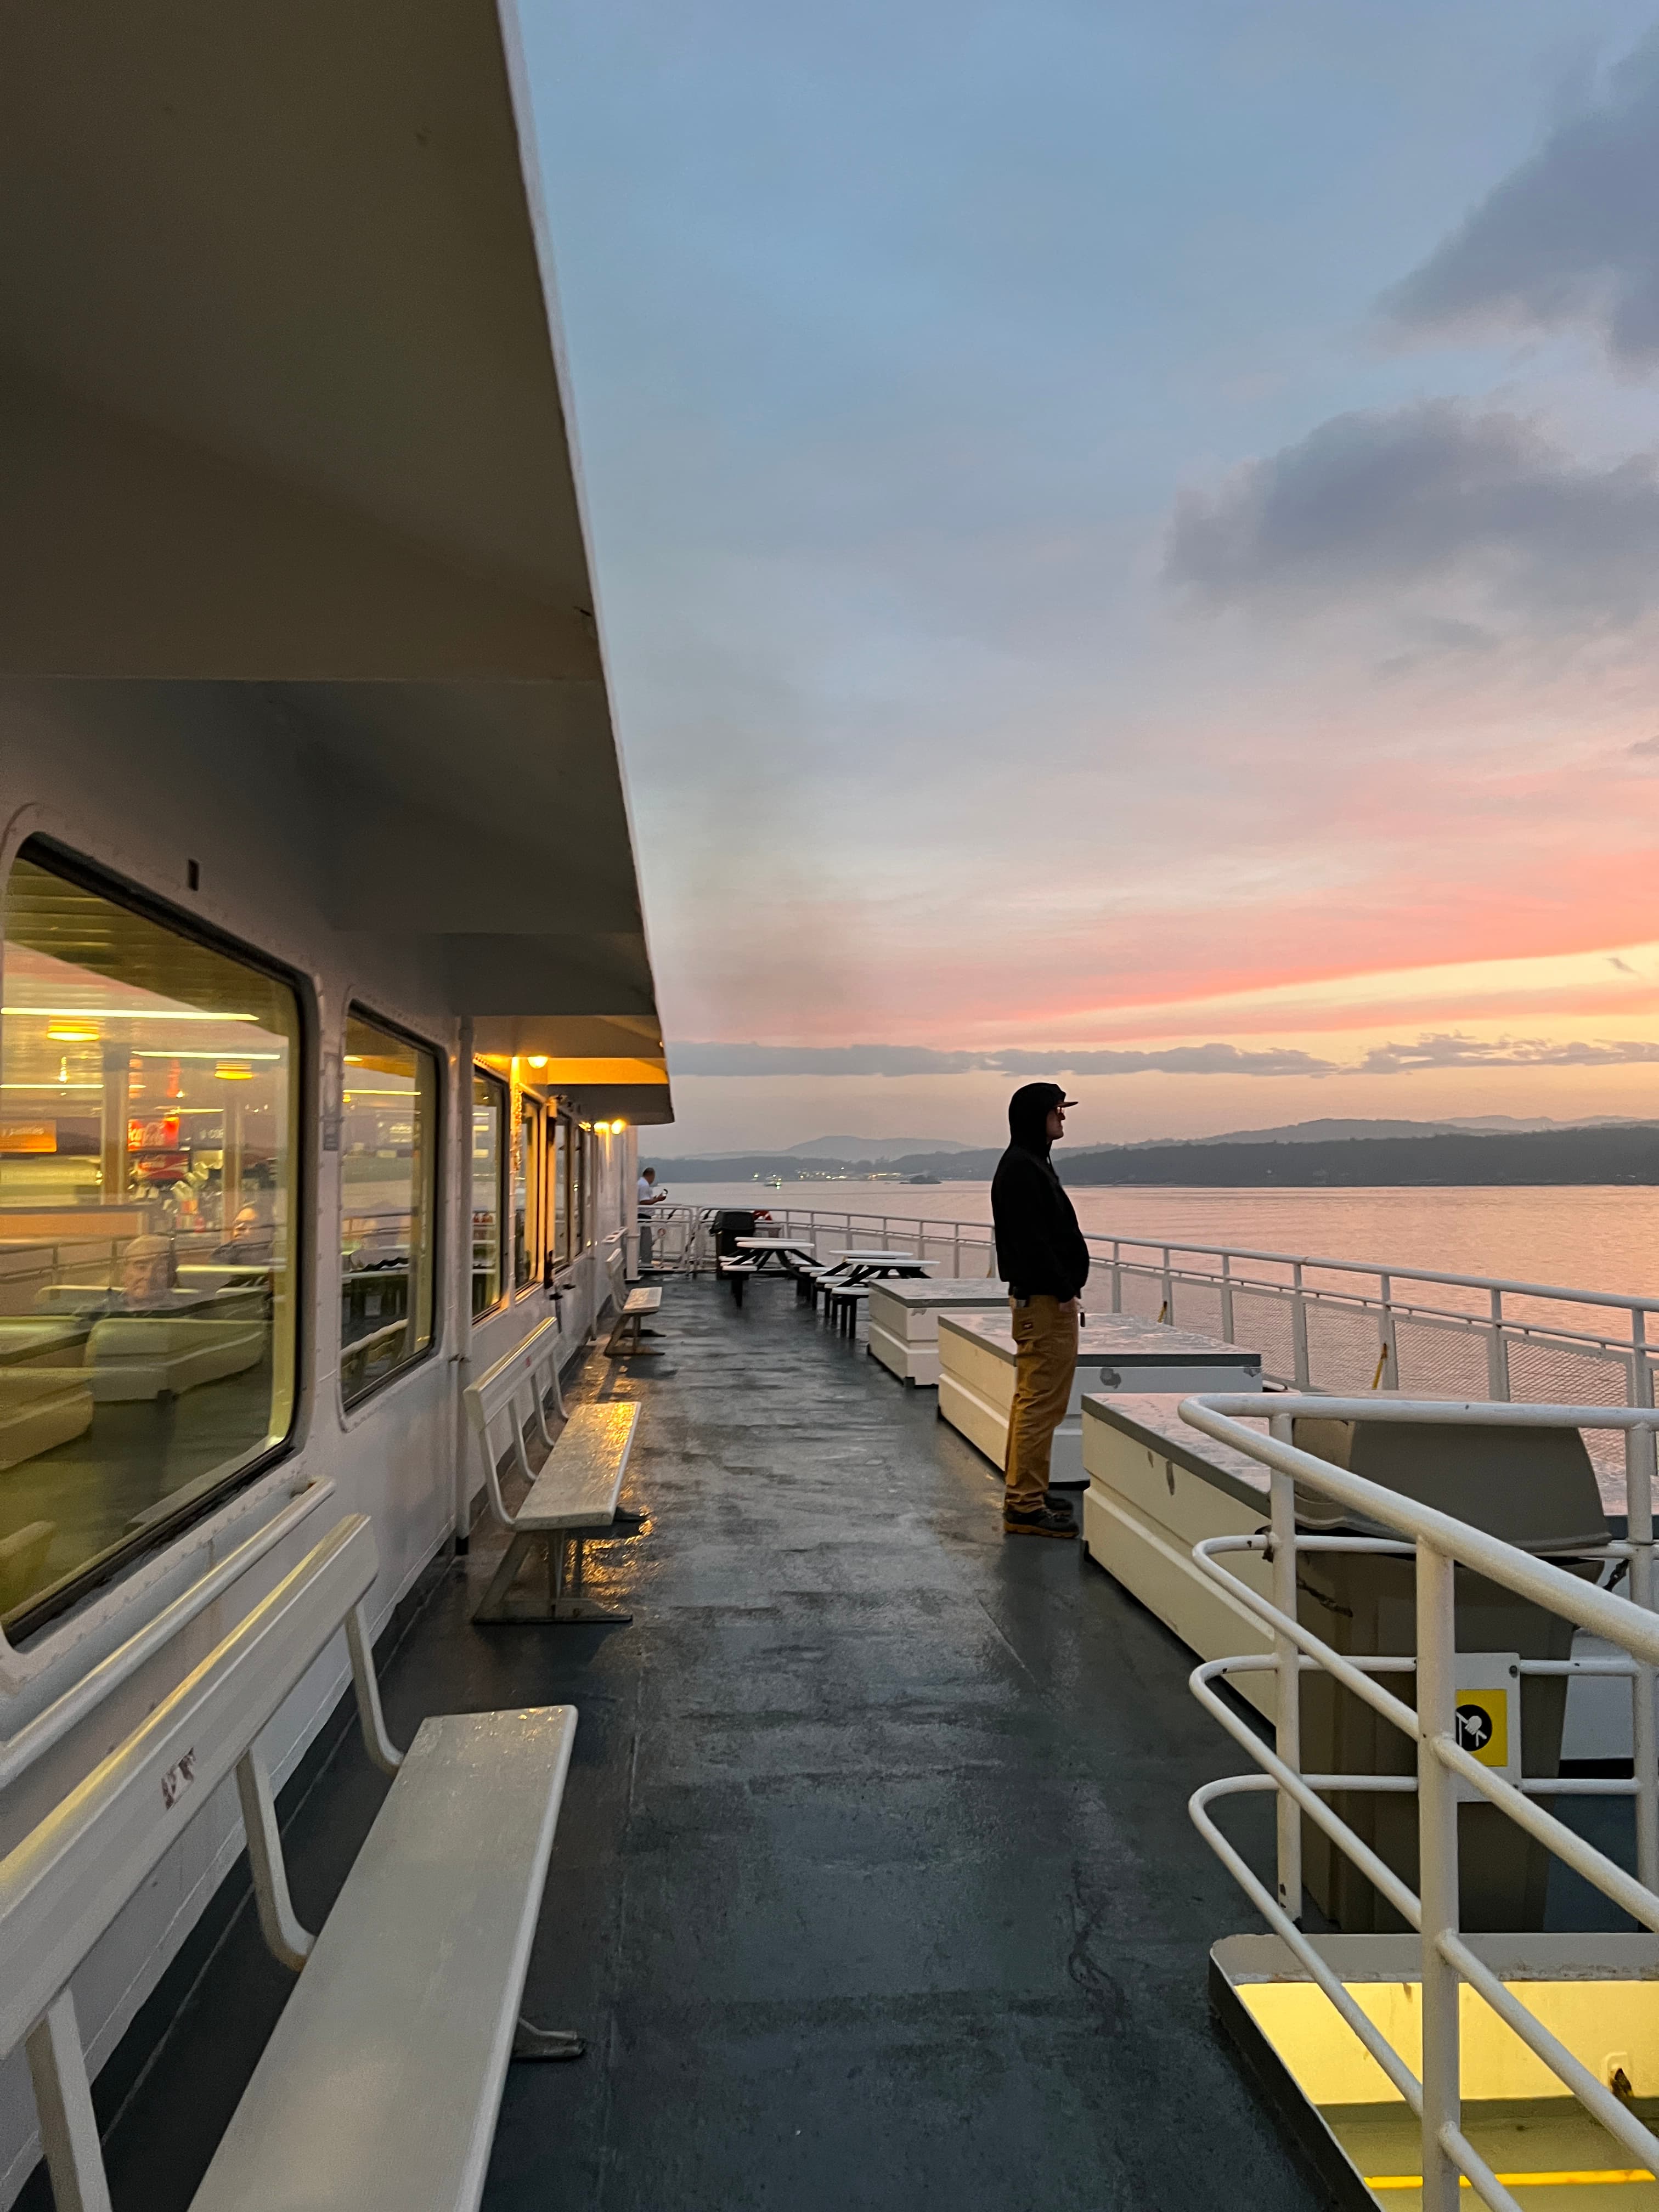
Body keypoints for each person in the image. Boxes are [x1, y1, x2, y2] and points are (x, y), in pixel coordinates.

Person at [991, 1082, 1090, 1538]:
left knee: (1034, 1402)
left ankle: (1026, 1490)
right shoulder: (1023, 1169)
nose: (1063, 1118)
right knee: (1040, 1405)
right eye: (1057, 1111)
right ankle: (1025, 1505)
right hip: (1047, 1303)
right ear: (1037, 1116)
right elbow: (1034, 1243)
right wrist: (1065, 1290)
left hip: (1044, 1299)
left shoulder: (1028, 1164)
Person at [636, 1164, 668, 1269]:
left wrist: (654, 1199)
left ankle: (644, 1260)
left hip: (641, 1215)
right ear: (651, 1176)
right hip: (643, 1216)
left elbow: (644, 1199)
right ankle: (646, 1263)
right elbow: (643, 1201)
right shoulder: (644, 1185)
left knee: (644, 1239)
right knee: (646, 1240)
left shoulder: (640, 1184)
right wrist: (657, 1200)